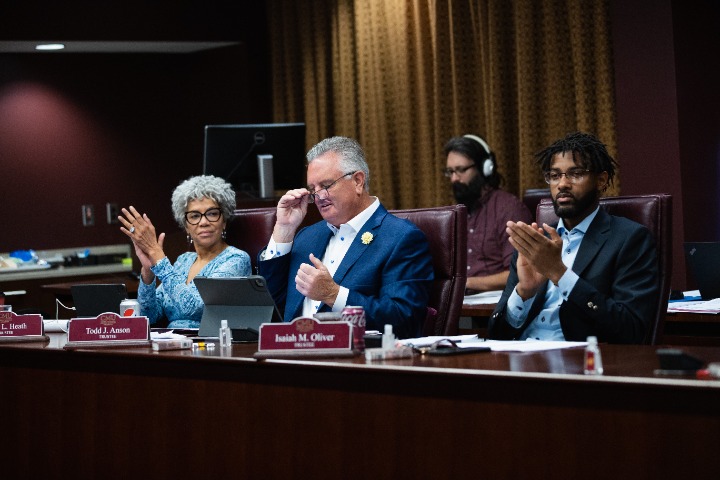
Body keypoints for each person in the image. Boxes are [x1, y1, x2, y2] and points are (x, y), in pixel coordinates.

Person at [488, 132, 659, 343]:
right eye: (554, 175)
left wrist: (559, 273)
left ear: (601, 180)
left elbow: (630, 329)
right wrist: (524, 292)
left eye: (575, 173)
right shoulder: (535, 241)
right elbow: (496, 333)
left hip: (579, 362)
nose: (562, 184)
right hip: (520, 358)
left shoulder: (630, 239)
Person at [258, 136, 434, 339]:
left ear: (358, 181)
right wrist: (284, 229)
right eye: (313, 189)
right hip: (290, 357)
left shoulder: (401, 238)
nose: (319, 197)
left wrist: (333, 295)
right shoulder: (308, 237)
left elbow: (403, 319)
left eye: (326, 185)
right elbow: (272, 309)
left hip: (354, 362)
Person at [119, 175, 251, 327]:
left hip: (209, 346)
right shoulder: (184, 261)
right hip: (168, 345)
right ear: (186, 226)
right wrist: (148, 272)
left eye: (212, 213)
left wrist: (157, 255)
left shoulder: (236, 260)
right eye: (194, 216)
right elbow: (149, 316)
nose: (203, 222)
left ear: (224, 221)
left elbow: (195, 308)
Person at [443, 134, 532, 292]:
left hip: (497, 306)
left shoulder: (509, 208)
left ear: (485, 168)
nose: (454, 179)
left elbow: (518, 273)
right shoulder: (454, 212)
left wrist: (466, 283)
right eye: (450, 172)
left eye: (461, 170)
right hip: (461, 305)